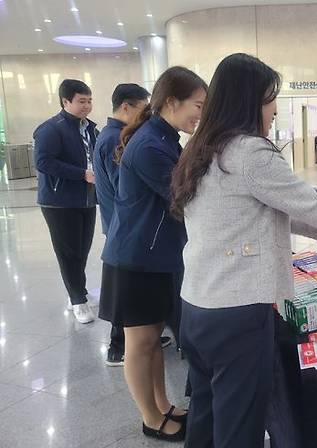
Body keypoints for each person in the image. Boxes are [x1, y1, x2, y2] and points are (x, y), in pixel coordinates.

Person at [170, 53, 317, 448]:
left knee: (207, 416)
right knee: (240, 425)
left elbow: (283, 209)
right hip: (238, 313)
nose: (275, 109)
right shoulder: (249, 153)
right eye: (269, 98)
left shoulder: (203, 148)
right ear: (249, 101)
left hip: (197, 306)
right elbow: (310, 202)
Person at [99, 66, 207, 442]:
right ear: (172, 102)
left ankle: (164, 405)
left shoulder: (163, 137)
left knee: (152, 343)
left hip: (155, 257)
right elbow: (184, 198)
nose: (200, 114)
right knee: (140, 344)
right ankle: (150, 417)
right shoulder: (149, 145)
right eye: (198, 105)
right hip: (136, 260)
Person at [93, 83, 162, 367]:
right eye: (142, 109)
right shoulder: (115, 138)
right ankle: (117, 347)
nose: (146, 116)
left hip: (120, 224)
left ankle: (138, 337)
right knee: (127, 299)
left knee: (135, 302)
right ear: (125, 107)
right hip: (124, 227)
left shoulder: (112, 135)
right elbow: (128, 189)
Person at [34, 79, 97, 324]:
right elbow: (43, 162)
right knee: (68, 252)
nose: (87, 106)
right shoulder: (51, 129)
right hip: (59, 201)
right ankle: (77, 300)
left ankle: (78, 291)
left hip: (86, 198)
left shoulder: (89, 127)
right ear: (65, 101)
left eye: (89, 100)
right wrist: (81, 174)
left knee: (82, 249)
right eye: (82, 101)